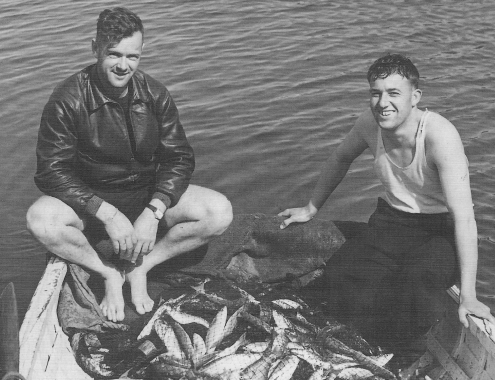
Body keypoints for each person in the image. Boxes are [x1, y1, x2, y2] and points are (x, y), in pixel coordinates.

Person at [26, 7, 233, 323]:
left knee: (218, 212)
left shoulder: (155, 93)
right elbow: (51, 171)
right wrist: (106, 213)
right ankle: (107, 271)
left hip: (144, 195)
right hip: (90, 203)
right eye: (114, 54)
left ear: (142, 53)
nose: (123, 66)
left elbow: (179, 158)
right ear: (95, 48)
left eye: (132, 56)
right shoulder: (67, 99)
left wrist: (154, 211)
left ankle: (142, 267)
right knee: (40, 219)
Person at [279, 53, 495, 347]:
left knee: (414, 282)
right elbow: (340, 158)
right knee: (342, 272)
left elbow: (465, 218)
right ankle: (354, 343)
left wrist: (468, 294)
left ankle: (400, 350)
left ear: (415, 97)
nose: (383, 103)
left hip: (441, 231)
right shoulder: (369, 123)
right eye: (375, 93)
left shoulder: (440, 136)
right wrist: (311, 207)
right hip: (393, 221)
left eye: (394, 93)